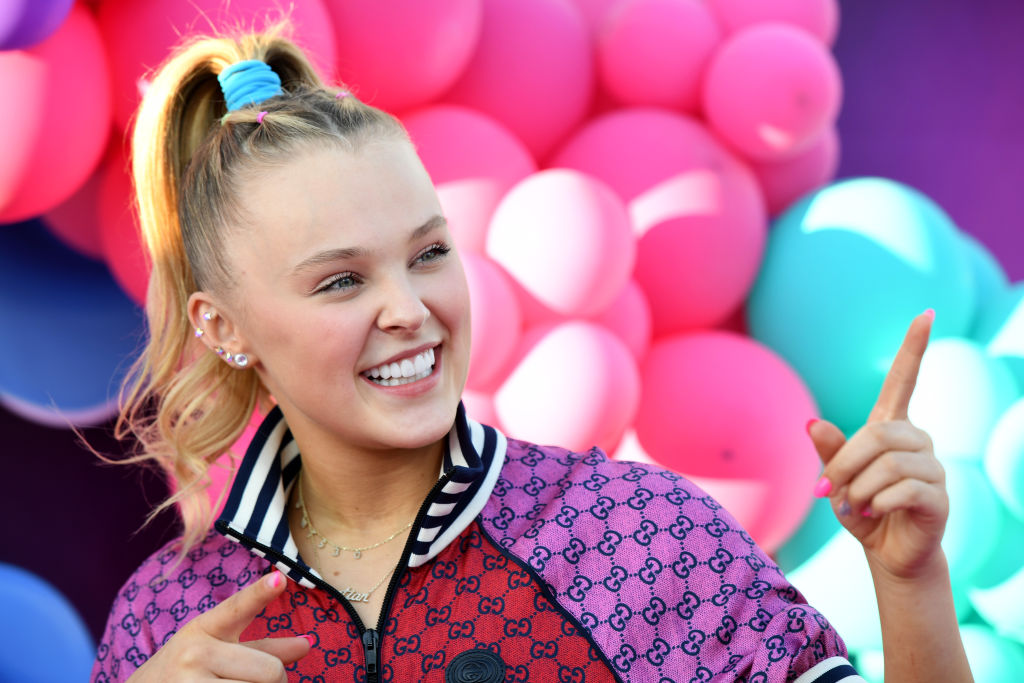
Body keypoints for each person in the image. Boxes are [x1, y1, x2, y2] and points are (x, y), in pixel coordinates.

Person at [91, 27, 973, 683]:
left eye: (428, 253)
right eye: (340, 283)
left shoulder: (637, 532)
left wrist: (911, 582)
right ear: (223, 327)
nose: (411, 309)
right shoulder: (161, 620)